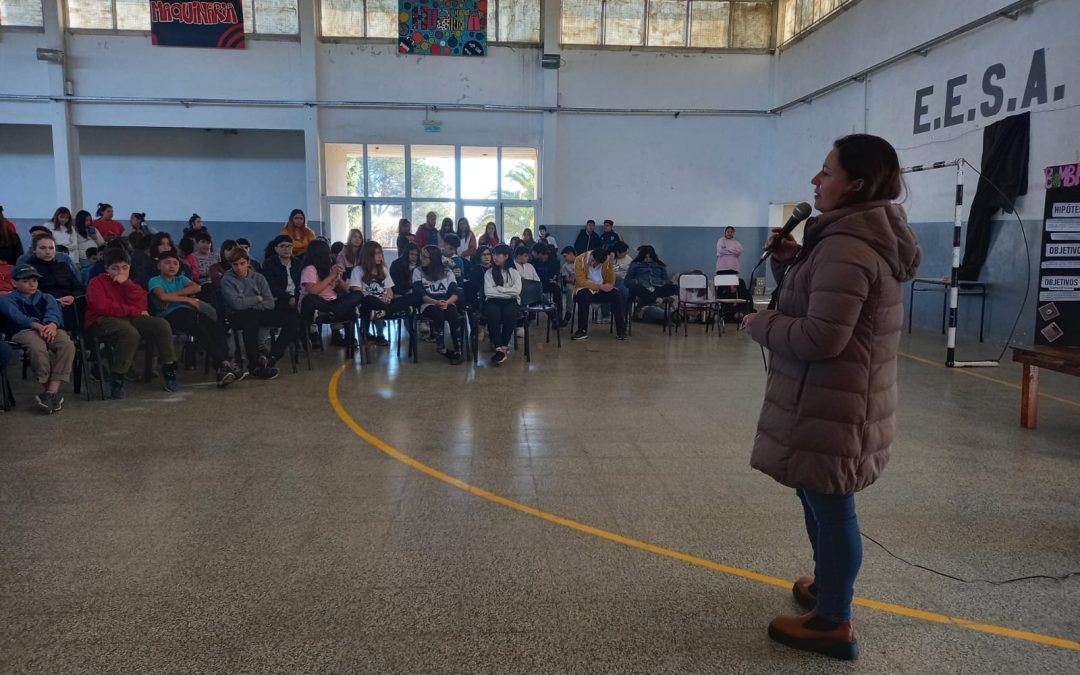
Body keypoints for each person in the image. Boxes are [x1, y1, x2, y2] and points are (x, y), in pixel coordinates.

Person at [741, 134, 921, 661]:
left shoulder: (846, 245)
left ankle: (833, 621)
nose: (816, 181)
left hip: (835, 403)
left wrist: (760, 322)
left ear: (857, 184)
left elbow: (822, 337)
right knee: (815, 492)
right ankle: (827, 585)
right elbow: (823, 299)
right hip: (833, 399)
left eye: (826, 172)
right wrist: (791, 263)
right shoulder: (847, 238)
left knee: (832, 503)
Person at [86, 248, 180, 398]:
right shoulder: (96, 282)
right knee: (130, 333)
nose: (120, 272)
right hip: (102, 319)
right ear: (106, 269)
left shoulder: (129, 283)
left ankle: (169, 368)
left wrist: (127, 285)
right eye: (115, 268)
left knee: (161, 324)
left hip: (128, 316)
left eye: (124, 268)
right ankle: (118, 377)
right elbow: (103, 307)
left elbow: (141, 303)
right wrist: (132, 310)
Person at [148, 250, 240, 388]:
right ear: (158, 266)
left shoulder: (181, 279)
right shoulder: (155, 280)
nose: (172, 266)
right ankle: (224, 364)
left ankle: (223, 365)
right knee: (198, 328)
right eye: (167, 263)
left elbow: (196, 287)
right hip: (168, 316)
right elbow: (162, 297)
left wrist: (173, 296)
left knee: (215, 325)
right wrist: (187, 299)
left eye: (175, 263)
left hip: (189, 313)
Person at [0, 264, 76, 413]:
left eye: (34, 280)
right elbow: (18, 317)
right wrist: (37, 326)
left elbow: (54, 312)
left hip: (48, 327)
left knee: (67, 345)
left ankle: (51, 392)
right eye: (26, 281)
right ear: (14, 283)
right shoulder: (6, 299)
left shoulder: (46, 296)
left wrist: (52, 325)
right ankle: (49, 390)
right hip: (23, 330)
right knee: (36, 347)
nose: (32, 284)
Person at [220, 247, 299, 380]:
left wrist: (248, 302)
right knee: (249, 320)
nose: (239, 268)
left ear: (248, 262)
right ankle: (255, 365)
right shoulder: (227, 279)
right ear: (231, 265)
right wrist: (257, 298)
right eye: (235, 265)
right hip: (238, 315)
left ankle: (271, 358)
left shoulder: (258, 277)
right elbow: (236, 304)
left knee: (292, 320)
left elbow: (270, 303)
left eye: (242, 263)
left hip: (259, 311)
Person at [298, 239, 363, 346]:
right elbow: (313, 291)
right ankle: (336, 312)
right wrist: (331, 276)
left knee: (358, 295)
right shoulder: (310, 269)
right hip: (318, 304)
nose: (330, 257)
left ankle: (348, 338)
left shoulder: (328, 268)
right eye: (327, 254)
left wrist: (339, 278)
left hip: (332, 303)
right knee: (309, 299)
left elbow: (345, 289)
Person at [349, 241, 410, 347]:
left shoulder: (383, 270)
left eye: (380, 253)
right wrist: (380, 300)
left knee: (410, 297)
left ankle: (384, 312)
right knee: (370, 300)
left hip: (384, 303)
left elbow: (389, 290)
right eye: (376, 254)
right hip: (367, 303)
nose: (380, 256)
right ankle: (380, 333)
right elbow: (357, 292)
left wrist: (388, 298)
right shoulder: (357, 270)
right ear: (368, 255)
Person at [413, 245, 463, 364]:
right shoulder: (418, 271)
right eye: (421, 256)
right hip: (428, 304)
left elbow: (455, 291)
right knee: (438, 313)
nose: (421, 259)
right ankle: (441, 346)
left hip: (447, 302)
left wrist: (447, 302)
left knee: (453, 313)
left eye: (425, 257)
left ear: (434, 259)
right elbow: (420, 293)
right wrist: (436, 302)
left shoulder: (447, 272)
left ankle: (458, 349)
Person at [26, 233, 84, 328]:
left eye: (51, 248)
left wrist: (73, 297)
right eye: (43, 248)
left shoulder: (63, 266)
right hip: (45, 306)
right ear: (34, 250)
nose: (48, 252)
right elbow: (29, 293)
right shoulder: (29, 269)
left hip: (72, 303)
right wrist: (54, 300)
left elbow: (79, 288)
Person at [571, 247, 626, 341]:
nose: (593, 263)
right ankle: (582, 330)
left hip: (601, 290)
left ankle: (621, 330)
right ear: (591, 255)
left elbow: (610, 282)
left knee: (617, 295)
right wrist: (600, 287)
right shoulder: (580, 259)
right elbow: (581, 281)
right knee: (584, 295)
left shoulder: (607, 261)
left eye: (596, 263)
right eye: (592, 260)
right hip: (585, 288)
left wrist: (610, 267)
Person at [483, 244, 523, 366]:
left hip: (510, 302)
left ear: (506, 256)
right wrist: (507, 291)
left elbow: (517, 291)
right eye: (493, 254)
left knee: (509, 313)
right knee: (493, 313)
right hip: (493, 301)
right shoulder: (489, 273)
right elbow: (488, 292)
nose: (494, 257)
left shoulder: (514, 273)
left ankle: (503, 347)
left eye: (497, 254)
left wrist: (500, 289)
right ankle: (499, 348)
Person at [625, 245, 677, 316]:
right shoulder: (635, 265)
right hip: (643, 289)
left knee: (674, 288)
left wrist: (662, 282)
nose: (648, 259)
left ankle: (676, 311)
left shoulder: (659, 265)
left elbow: (666, 280)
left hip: (657, 288)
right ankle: (656, 300)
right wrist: (637, 281)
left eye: (650, 257)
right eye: (645, 257)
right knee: (634, 288)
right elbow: (627, 281)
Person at [262, 235, 301, 312]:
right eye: (282, 246)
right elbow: (271, 286)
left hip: (298, 296)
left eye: (289, 246)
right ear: (276, 249)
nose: (286, 249)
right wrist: (289, 297)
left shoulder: (298, 263)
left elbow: (302, 284)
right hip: (279, 297)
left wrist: (297, 297)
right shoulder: (269, 264)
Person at [559, 246, 577, 326]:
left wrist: (574, 277)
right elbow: (567, 279)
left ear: (571, 254)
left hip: (582, 283)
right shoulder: (565, 266)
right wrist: (573, 279)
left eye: (565, 256)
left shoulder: (581, 262)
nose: (565, 259)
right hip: (572, 284)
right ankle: (568, 312)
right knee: (569, 289)